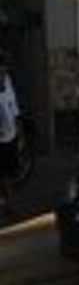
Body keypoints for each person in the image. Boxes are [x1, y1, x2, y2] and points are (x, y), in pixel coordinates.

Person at [0, 51, 19, 214]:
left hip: (10, 135)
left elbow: (13, 104)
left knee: (9, 173)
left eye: (4, 69)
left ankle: (10, 205)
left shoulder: (8, 81)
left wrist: (18, 126)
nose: (3, 73)